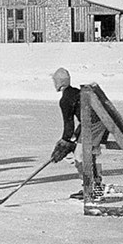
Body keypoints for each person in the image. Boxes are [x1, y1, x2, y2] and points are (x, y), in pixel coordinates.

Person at [50, 67, 108, 199]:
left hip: (94, 124)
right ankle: (94, 187)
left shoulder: (65, 99)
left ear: (60, 82)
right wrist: (71, 139)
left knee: (80, 155)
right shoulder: (74, 92)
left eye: (55, 81)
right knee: (86, 154)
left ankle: (90, 189)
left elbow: (69, 122)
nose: (54, 83)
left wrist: (65, 141)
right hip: (93, 123)